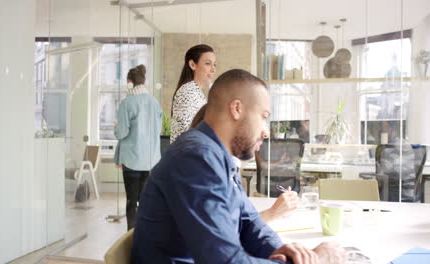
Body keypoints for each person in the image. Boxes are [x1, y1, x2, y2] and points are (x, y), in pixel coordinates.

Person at [131, 69, 345, 263]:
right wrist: (319, 259)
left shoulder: (215, 155)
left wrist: (282, 250)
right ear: (236, 109)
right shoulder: (196, 157)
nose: (266, 131)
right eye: (263, 117)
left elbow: (249, 222)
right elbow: (224, 261)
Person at [190, 104, 299, 222]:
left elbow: (238, 219)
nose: (265, 134)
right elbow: (229, 228)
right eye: (260, 120)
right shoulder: (204, 172)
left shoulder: (228, 165)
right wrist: (272, 213)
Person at [114, 65, 162, 230]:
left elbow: (121, 133)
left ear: (129, 82)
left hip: (132, 159)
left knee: (131, 201)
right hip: (150, 159)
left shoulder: (127, 103)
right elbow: (158, 129)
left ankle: (131, 236)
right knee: (145, 200)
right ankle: (145, 234)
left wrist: (116, 128)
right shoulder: (154, 102)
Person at [170, 44, 216, 143]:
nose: (213, 69)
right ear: (192, 65)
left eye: (214, 64)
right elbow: (188, 132)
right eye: (208, 63)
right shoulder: (187, 92)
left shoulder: (195, 91)